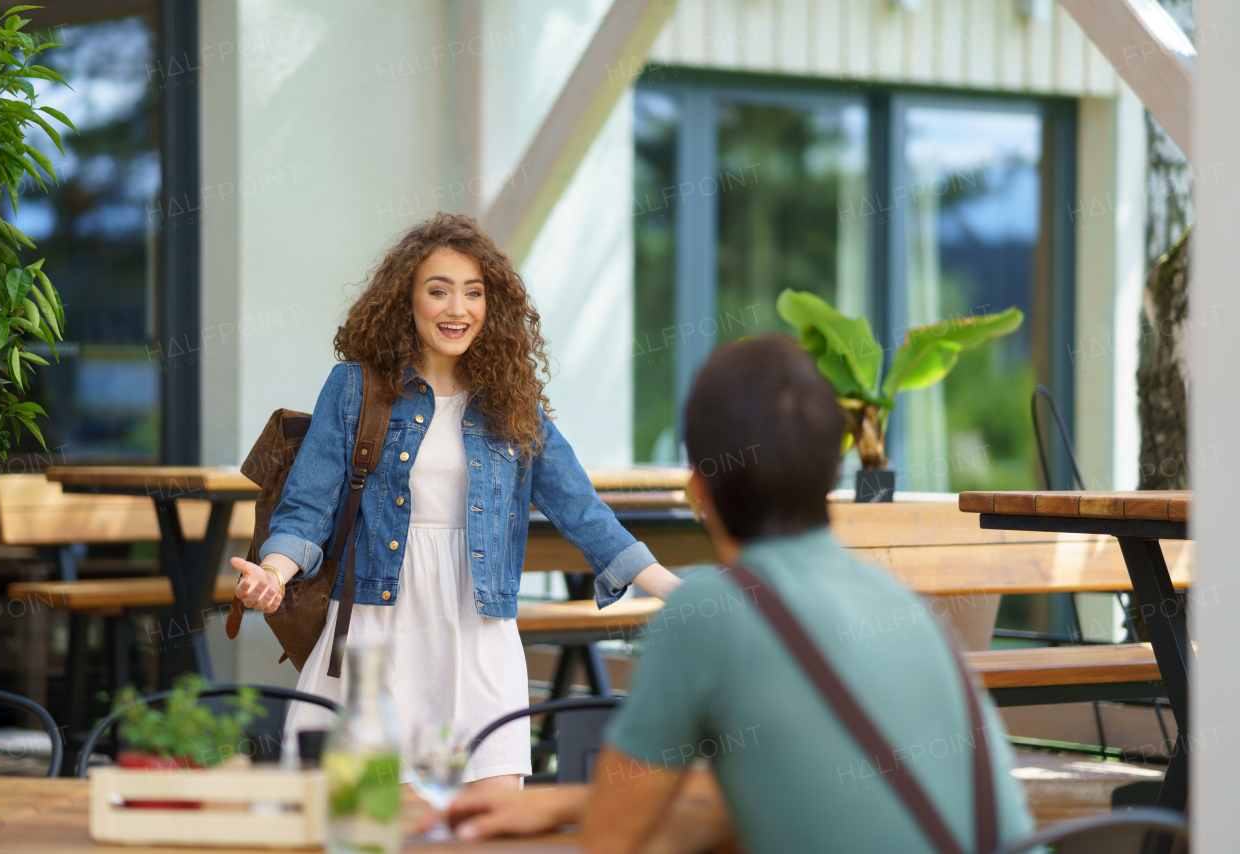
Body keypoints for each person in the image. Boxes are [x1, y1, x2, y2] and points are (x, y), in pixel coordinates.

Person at [447, 337, 1035, 851]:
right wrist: (568, 802)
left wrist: (578, 807)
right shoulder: (902, 606)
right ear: (831, 471)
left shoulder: (708, 613)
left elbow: (611, 841)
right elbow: (798, 773)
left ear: (698, 489)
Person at [230, 212, 682, 788]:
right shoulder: (356, 386)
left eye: (473, 293)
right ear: (406, 301)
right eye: (438, 290)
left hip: (479, 629)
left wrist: (675, 588)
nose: (457, 308)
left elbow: (581, 509)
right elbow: (307, 510)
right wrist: (272, 572)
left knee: (491, 823)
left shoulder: (510, 401)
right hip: (375, 628)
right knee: (366, 829)